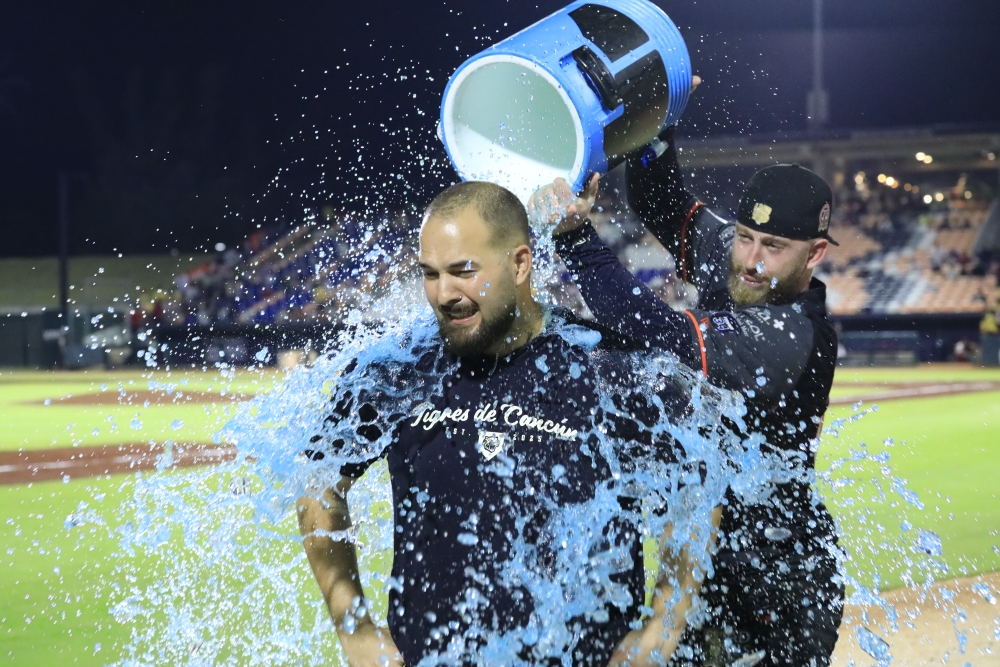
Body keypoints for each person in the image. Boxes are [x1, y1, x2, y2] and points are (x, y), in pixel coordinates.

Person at [296, 181, 713, 667]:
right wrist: (355, 628)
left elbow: (695, 491)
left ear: (520, 263)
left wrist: (664, 626)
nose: (444, 293)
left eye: (463, 271)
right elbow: (317, 480)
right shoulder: (395, 371)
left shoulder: (608, 367)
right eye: (429, 274)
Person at [537, 127, 846, 666]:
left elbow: (657, 328)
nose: (750, 258)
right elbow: (661, 203)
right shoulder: (743, 261)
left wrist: (575, 238)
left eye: (774, 247)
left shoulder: (793, 335)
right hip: (702, 555)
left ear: (815, 253)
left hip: (779, 572)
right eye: (746, 235)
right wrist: (656, 119)